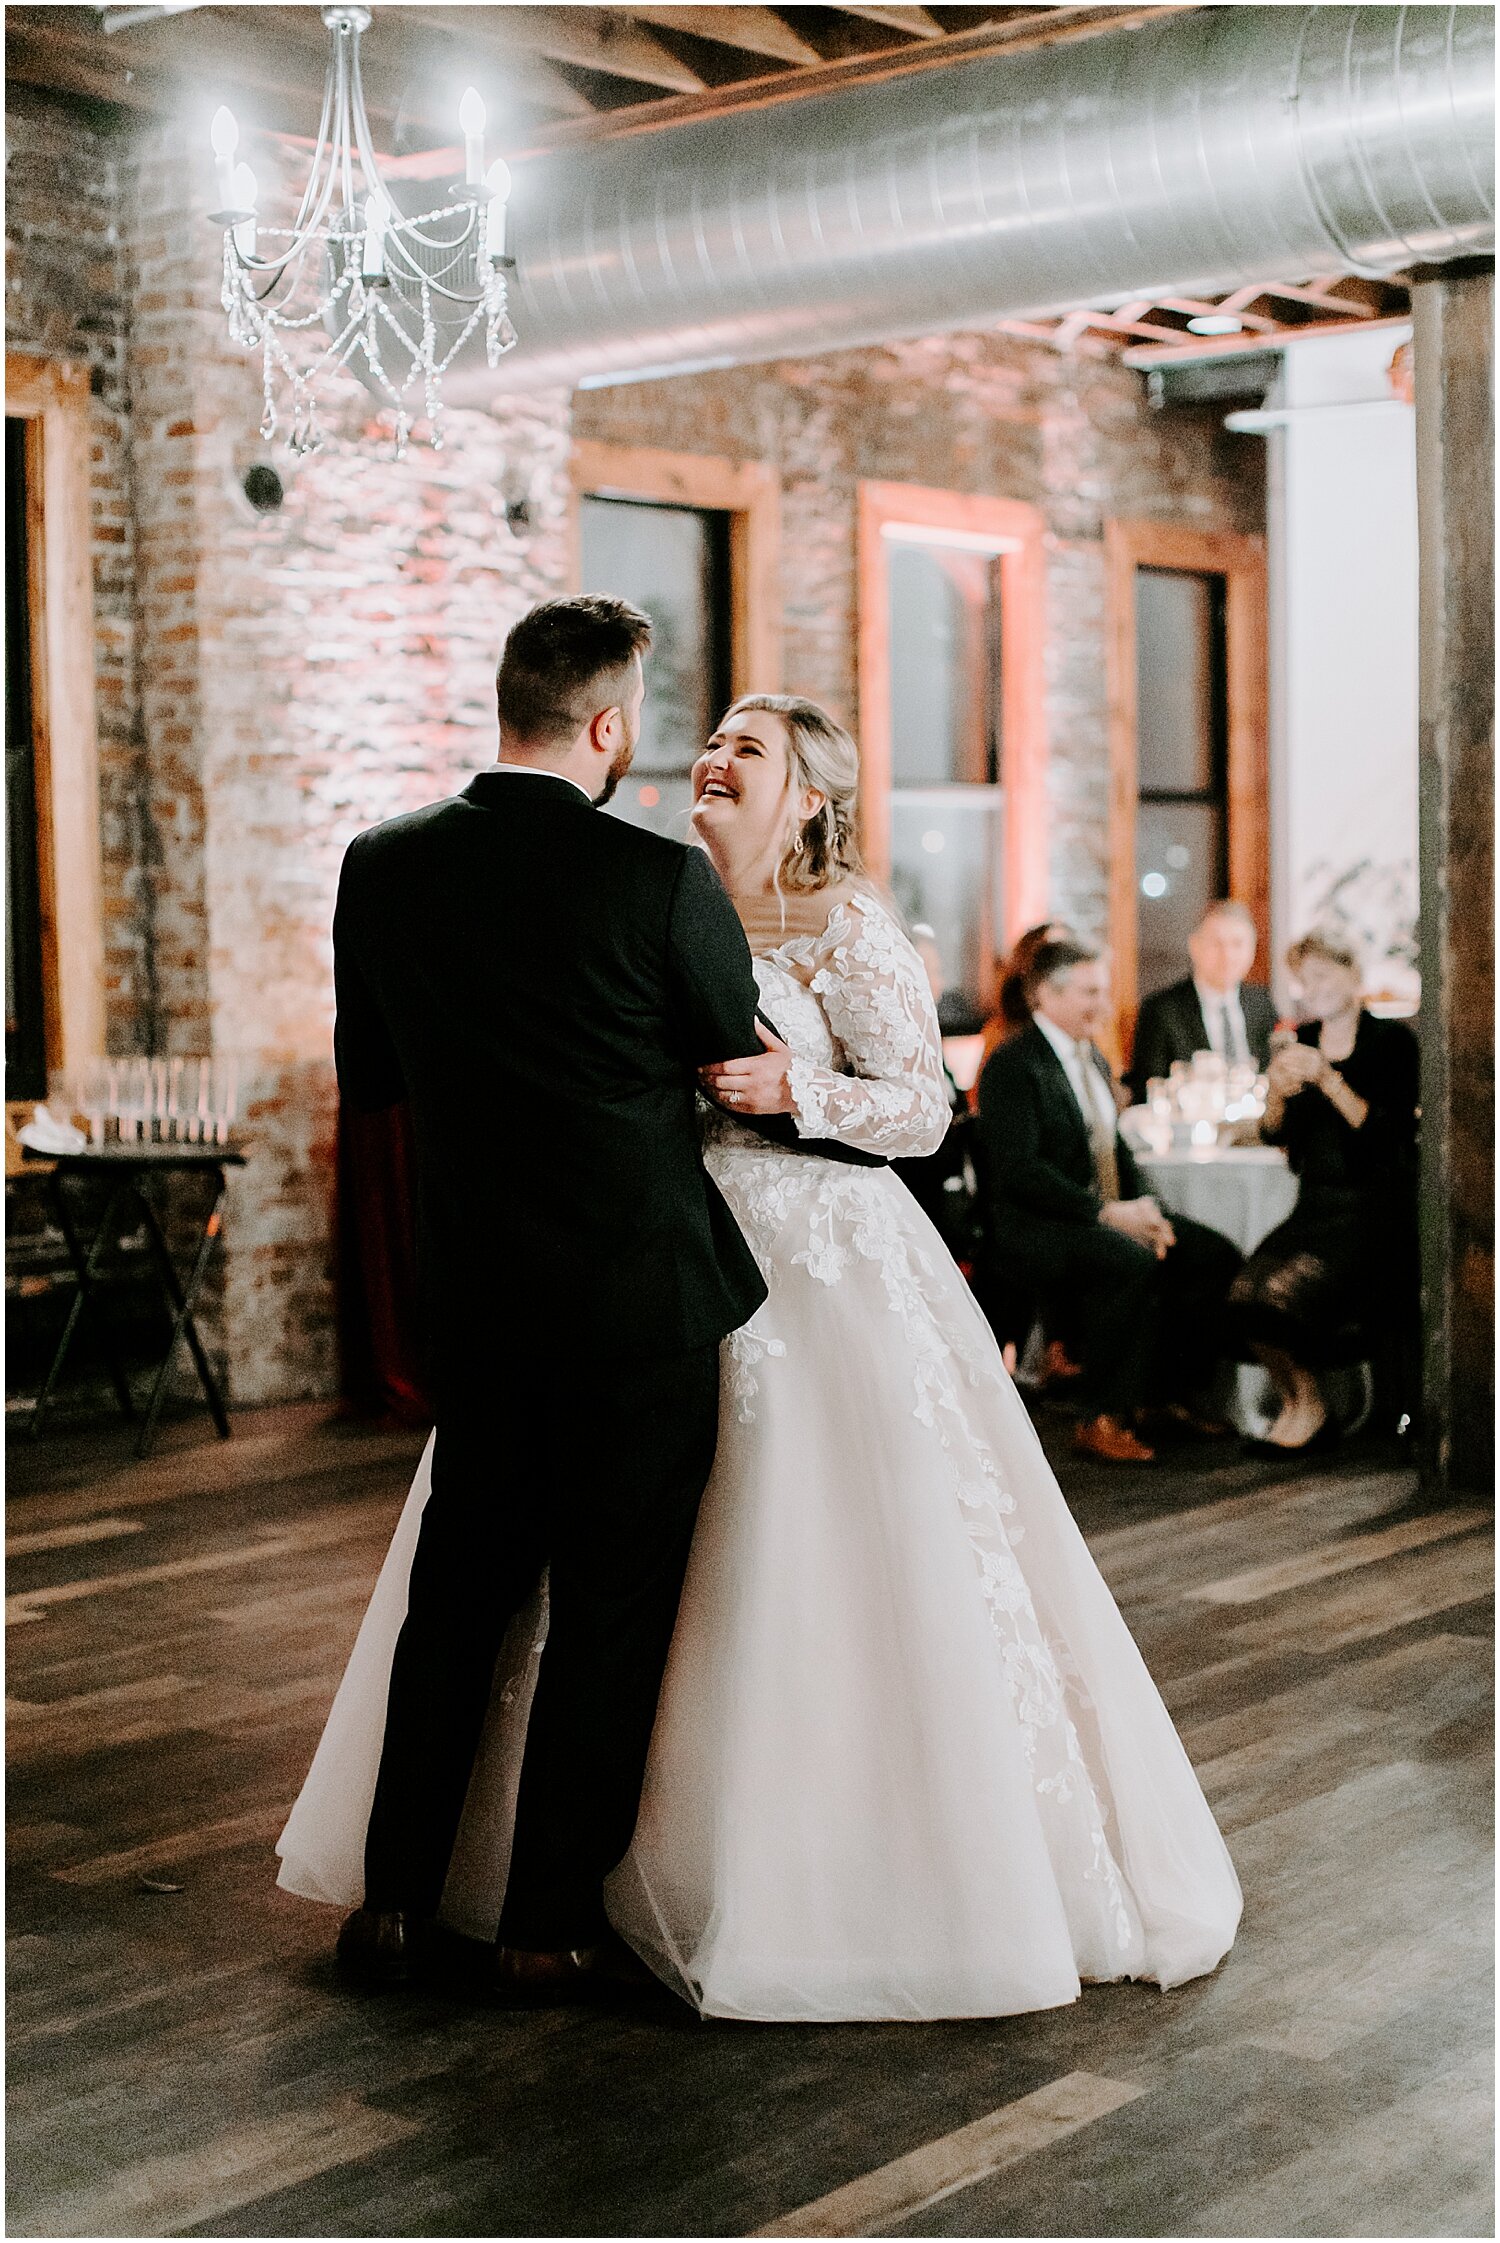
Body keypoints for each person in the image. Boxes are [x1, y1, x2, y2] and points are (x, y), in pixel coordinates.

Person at [280, 691, 1241, 2022]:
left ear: (810, 795)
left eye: (751, 750)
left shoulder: (848, 924)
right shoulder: (636, 893)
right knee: (588, 1573)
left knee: (794, 1559)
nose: (717, 759)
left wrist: (805, 1093)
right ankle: (529, 1878)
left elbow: (928, 1113)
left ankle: (784, 1870)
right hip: (634, 1270)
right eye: (714, 740)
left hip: (815, 1261)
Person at [308, 597, 877, 2004]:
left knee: (459, 1603)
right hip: (641, 1306)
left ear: (510, 702)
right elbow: (719, 1047)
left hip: (477, 1303)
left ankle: (390, 1906)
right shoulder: (655, 881)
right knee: (610, 1615)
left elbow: (372, 1078)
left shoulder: (380, 865)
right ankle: (543, 1923)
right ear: (611, 724)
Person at [975, 940, 1243, 1465]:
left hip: (1102, 1211)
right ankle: (1101, 1416)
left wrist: (1146, 1209)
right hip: (1039, 1225)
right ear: (1044, 996)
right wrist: (1107, 1214)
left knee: (1211, 1254)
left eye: (1103, 990)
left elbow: (1112, 1145)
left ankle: (1165, 1396)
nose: (1102, 1004)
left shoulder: (1090, 1056)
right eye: (1089, 992)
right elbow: (1021, 1172)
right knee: (1129, 1262)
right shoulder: (1014, 1064)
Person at [1228, 931, 1420, 1450]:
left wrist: (1329, 1080)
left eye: (1324, 975)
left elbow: (1387, 1137)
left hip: (1370, 1210)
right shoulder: (1300, 1037)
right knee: (1242, 1293)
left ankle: (1313, 1410)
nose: (1313, 988)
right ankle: (1302, 1400)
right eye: (1305, 980)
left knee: (1279, 1294)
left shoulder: (1391, 1043)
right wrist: (1275, 1093)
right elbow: (1275, 1134)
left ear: (1352, 976)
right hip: (1314, 1205)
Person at [1127, 900, 1276, 1103]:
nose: (1228, 955)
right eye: (1217, 944)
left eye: (1238, 944)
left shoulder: (1262, 1004)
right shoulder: (1162, 1010)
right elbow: (1146, 1086)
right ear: (1194, 946)